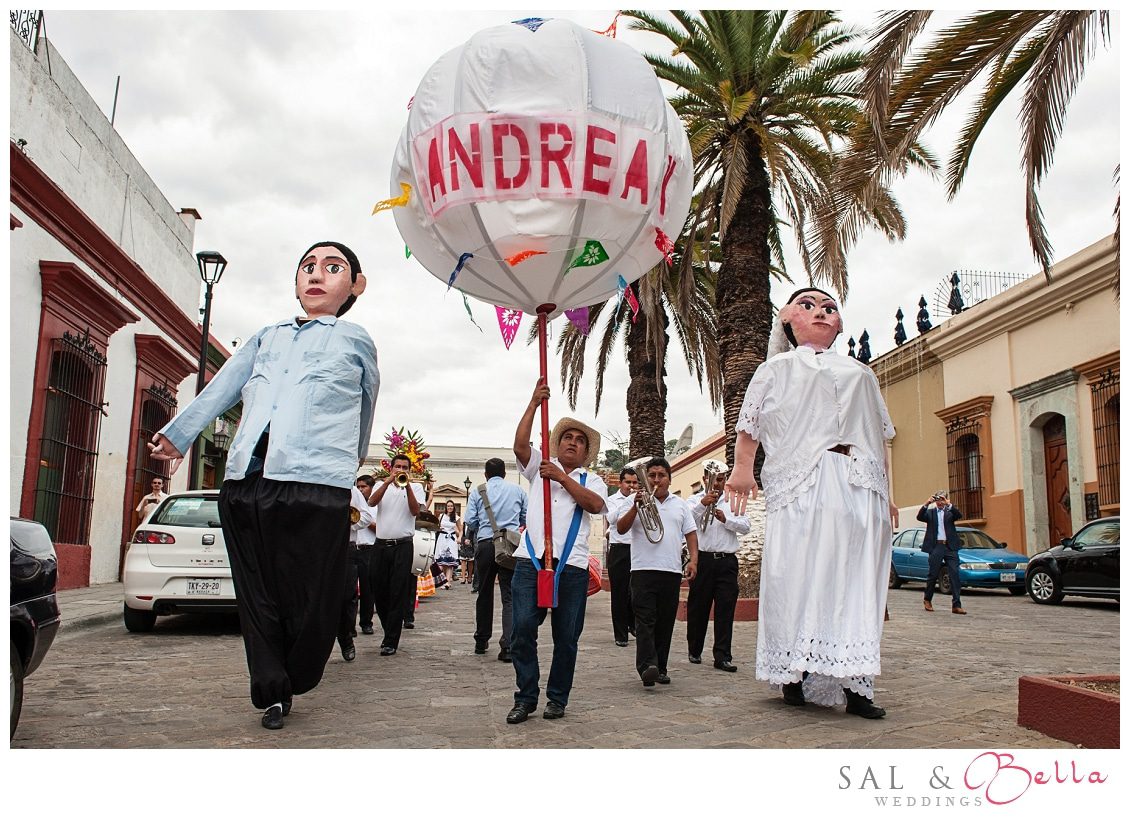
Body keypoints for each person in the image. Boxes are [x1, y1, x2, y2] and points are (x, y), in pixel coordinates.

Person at [149, 241, 378, 730]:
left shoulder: (355, 340)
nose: (316, 276)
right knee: (256, 592)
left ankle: (296, 670)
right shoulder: (266, 337)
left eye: (332, 268)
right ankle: (271, 687)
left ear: (354, 286)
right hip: (247, 481)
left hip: (317, 485)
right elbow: (224, 385)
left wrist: (347, 463)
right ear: (296, 282)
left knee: (314, 594)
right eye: (307, 267)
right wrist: (180, 434)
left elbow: (365, 409)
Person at [726, 286, 896, 720]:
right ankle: (794, 674)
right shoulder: (775, 369)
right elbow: (751, 425)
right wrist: (742, 470)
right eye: (807, 305)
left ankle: (857, 684)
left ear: (839, 323)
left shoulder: (861, 372)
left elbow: (880, 435)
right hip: (803, 487)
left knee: (855, 583)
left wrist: (888, 494)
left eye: (829, 307)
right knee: (798, 578)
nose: (820, 311)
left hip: (858, 485)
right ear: (787, 319)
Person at [506, 380, 607, 723]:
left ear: (584, 452)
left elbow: (595, 505)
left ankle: (557, 699)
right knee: (521, 629)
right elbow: (519, 446)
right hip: (529, 562)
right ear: (558, 442)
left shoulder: (589, 479)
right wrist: (534, 402)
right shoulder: (538, 466)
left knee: (566, 639)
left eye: (579, 441)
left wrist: (562, 479)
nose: (572, 444)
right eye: (568, 438)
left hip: (573, 567)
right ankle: (525, 696)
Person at [615, 457, 698, 687]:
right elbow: (621, 529)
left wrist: (693, 561)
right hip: (642, 569)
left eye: (661, 475)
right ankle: (646, 667)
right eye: (652, 475)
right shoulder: (633, 499)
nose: (656, 480)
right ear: (645, 478)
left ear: (670, 480)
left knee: (664, 622)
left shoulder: (680, 504)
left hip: (670, 570)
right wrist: (635, 506)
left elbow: (691, 533)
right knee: (645, 620)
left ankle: (660, 667)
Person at [685, 462, 750, 671]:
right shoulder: (693, 500)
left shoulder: (733, 501)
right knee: (698, 607)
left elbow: (746, 526)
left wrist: (726, 519)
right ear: (705, 478)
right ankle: (694, 650)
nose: (718, 483)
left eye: (721, 479)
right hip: (702, 559)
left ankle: (722, 656)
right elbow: (685, 524)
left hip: (726, 561)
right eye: (714, 479)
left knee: (725, 608)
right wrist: (702, 505)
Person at [464, 457, 527, 661]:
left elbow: (470, 521)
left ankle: (481, 640)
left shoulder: (478, 491)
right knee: (509, 595)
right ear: (504, 473)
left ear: (485, 474)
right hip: (509, 546)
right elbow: (525, 518)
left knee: (484, 592)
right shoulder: (517, 490)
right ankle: (508, 645)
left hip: (485, 544)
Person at [366, 453, 426, 654]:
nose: (401, 470)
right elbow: (372, 502)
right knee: (380, 591)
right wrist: (388, 482)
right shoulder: (380, 486)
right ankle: (387, 630)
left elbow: (415, 511)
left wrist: (406, 485)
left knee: (398, 592)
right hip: (381, 545)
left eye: (405, 467)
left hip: (403, 546)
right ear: (391, 468)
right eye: (397, 467)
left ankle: (391, 640)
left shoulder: (416, 487)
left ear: (410, 470)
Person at [338, 484, 375, 661]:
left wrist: (348, 523)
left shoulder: (351, 490)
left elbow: (366, 517)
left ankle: (346, 640)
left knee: (346, 597)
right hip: (319, 546)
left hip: (346, 546)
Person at [605, 467, 638, 647]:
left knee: (636, 591)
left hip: (639, 549)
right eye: (628, 482)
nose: (631, 486)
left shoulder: (641, 498)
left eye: (634, 483)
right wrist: (629, 504)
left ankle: (633, 624)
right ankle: (620, 634)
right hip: (619, 549)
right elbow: (611, 519)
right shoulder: (612, 501)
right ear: (621, 483)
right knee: (619, 592)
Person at [919, 491, 966, 615]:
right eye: (938, 500)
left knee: (954, 574)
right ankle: (927, 599)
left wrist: (949, 505)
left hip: (950, 547)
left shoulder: (950, 512)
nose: (940, 502)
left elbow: (958, 515)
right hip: (936, 546)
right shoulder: (930, 513)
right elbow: (919, 517)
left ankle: (956, 605)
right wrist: (927, 503)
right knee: (933, 574)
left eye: (942, 500)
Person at [354, 474, 378, 634]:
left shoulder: (374, 506)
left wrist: (364, 520)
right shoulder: (353, 502)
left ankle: (366, 622)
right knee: (349, 591)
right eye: (359, 487)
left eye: (364, 487)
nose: (361, 489)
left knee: (368, 589)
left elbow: (380, 527)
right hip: (353, 547)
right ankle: (348, 626)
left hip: (368, 549)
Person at [434, 500, 462, 590]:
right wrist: (438, 528)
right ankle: (445, 581)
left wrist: (459, 538)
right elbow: (436, 527)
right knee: (443, 562)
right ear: (446, 507)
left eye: (451, 506)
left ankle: (448, 582)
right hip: (442, 538)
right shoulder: (441, 516)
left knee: (450, 561)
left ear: (454, 507)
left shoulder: (456, 517)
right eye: (448, 506)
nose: (450, 507)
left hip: (451, 539)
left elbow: (461, 530)